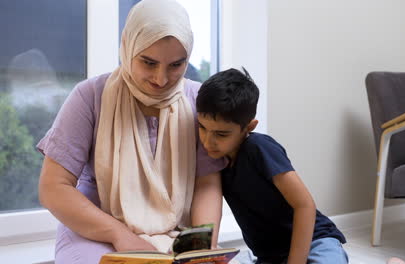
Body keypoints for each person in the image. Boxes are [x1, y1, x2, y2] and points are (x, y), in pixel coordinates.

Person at [37, 0, 223, 263]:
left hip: (179, 234)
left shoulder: (198, 99)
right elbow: (53, 187)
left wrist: (201, 242)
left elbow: (207, 184)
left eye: (176, 65)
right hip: (96, 231)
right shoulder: (90, 96)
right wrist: (118, 233)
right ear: (127, 46)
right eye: (148, 62)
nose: (161, 79)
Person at [192, 68, 349, 264]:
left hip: (314, 243)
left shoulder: (259, 148)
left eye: (221, 134)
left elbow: (305, 204)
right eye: (203, 128)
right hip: (270, 257)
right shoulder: (214, 162)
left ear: (249, 127)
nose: (208, 142)